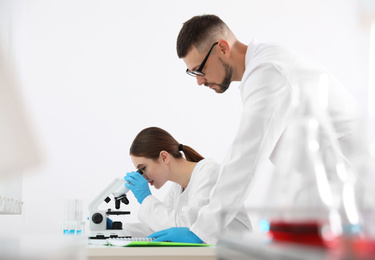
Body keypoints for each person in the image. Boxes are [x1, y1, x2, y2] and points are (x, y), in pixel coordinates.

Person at [147, 14, 359, 244]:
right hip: (337, 206)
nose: (199, 81)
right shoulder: (263, 69)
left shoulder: (269, 72)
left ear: (222, 48)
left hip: (357, 202)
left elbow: (246, 157)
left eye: (200, 70)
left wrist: (201, 232)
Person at [121, 126, 252, 240]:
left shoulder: (210, 173)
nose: (144, 177)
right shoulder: (177, 187)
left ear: (164, 157)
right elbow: (160, 228)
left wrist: (145, 199)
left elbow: (191, 228)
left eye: (143, 168)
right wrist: (120, 231)